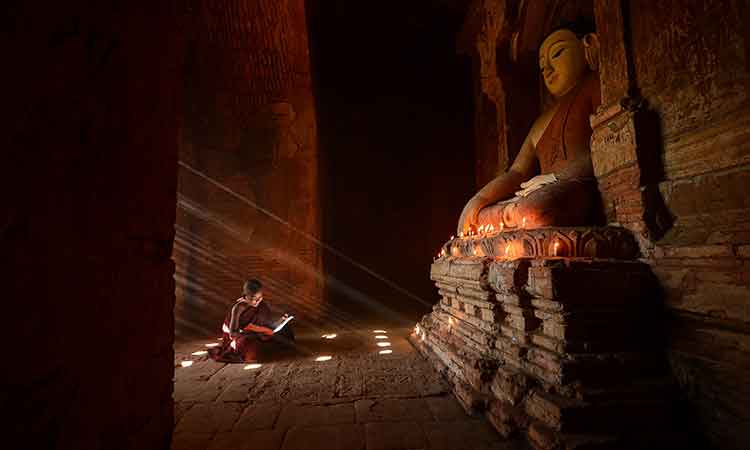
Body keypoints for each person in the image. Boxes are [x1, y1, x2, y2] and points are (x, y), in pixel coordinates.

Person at [458, 21, 602, 233]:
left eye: (557, 53)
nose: (548, 70)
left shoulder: (595, 86)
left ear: (588, 45)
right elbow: (517, 172)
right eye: (542, 66)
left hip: (576, 188)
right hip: (541, 192)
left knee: (535, 209)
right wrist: (478, 200)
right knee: (488, 216)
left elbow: (606, 146)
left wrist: (556, 178)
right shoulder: (541, 121)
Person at [209, 279, 294, 363]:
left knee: (287, 331)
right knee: (252, 347)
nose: (257, 301)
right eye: (254, 298)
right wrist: (258, 332)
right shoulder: (238, 308)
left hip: (258, 333)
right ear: (245, 296)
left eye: (260, 298)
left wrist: (282, 320)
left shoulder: (262, 305)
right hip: (242, 335)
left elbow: (268, 325)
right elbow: (232, 334)